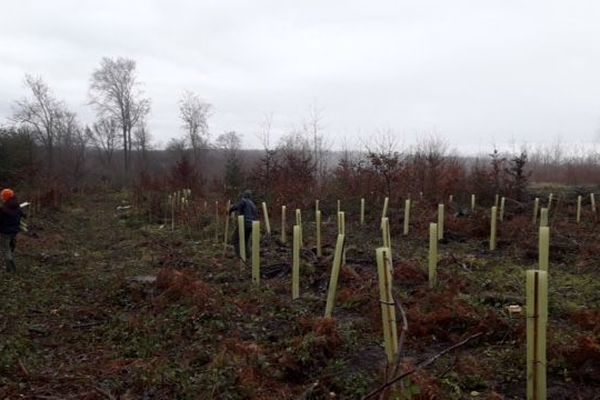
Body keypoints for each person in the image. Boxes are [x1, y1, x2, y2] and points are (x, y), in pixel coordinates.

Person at [0, 188, 26, 273]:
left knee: (6, 250)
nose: (1, 198)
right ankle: (9, 267)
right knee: (10, 249)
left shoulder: (4, 209)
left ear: (5, 197)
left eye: (2, 196)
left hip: (5, 232)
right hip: (14, 231)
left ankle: (11, 269)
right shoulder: (16, 206)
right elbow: (23, 215)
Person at [229, 190, 258, 260]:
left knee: (235, 239)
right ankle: (248, 256)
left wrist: (230, 210)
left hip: (244, 223)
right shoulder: (253, 204)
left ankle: (239, 256)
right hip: (252, 225)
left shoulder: (244, 201)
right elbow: (256, 214)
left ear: (244, 195)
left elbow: (237, 206)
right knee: (246, 240)